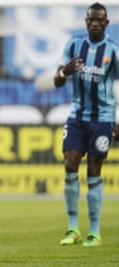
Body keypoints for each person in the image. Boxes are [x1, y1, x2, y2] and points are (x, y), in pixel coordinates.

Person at [54, 2, 119, 247]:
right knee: (70, 163)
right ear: (85, 21)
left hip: (103, 118)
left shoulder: (113, 50)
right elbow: (57, 80)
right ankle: (72, 228)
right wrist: (63, 73)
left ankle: (94, 230)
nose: (94, 23)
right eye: (91, 19)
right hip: (77, 116)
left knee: (94, 169)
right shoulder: (74, 44)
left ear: (106, 23)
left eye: (99, 20)